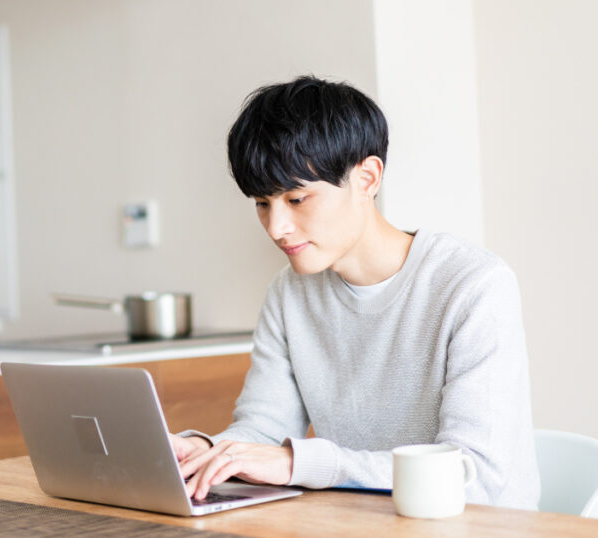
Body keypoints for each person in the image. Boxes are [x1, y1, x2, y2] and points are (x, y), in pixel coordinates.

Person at [169, 75, 540, 510]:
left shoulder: (473, 284)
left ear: (367, 178)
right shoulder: (290, 293)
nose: (276, 228)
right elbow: (262, 431)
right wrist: (208, 452)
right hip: (361, 521)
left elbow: (474, 474)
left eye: (297, 199)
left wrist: (300, 464)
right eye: (262, 203)